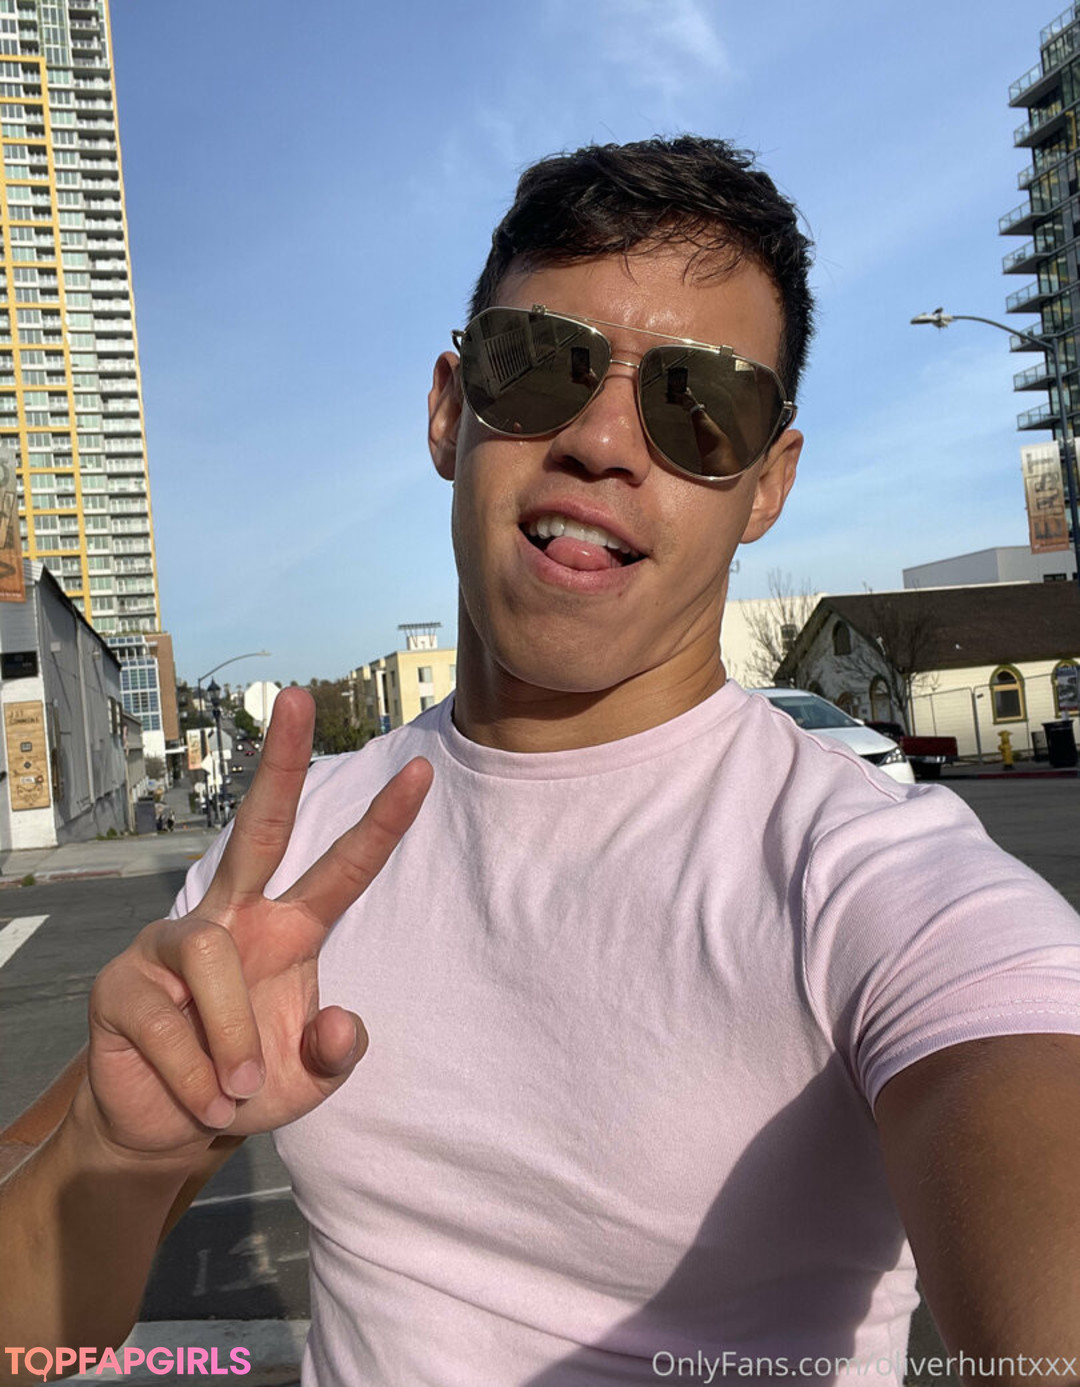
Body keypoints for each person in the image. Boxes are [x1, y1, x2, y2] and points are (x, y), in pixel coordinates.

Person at [2, 136, 1080, 1386]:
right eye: (542, 367)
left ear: (766, 484)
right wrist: (115, 1158)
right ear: (450, 410)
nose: (604, 442)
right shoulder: (291, 857)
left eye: (700, 404)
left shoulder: (871, 879)